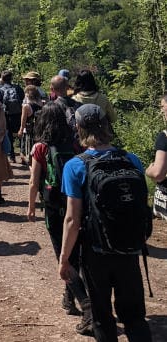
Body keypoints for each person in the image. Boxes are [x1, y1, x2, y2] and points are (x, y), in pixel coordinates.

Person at [59, 104, 152, 341]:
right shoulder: (131, 160)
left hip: (95, 252)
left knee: (102, 317)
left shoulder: (75, 165)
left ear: (78, 128)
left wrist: (64, 258)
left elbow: (72, 219)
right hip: (129, 248)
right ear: (107, 125)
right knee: (134, 317)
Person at [26, 103, 92, 336]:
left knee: (63, 256)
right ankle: (68, 299)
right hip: (77, 203)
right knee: (75, 253)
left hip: (54, 207)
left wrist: (31, 206)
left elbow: (34, 181)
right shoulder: (75, 144)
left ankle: (87, 307)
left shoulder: (40, 148)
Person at [0, 70, 25, 163]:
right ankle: (22, 154)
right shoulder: (17, 87)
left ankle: (12, 156)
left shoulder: (1, 89)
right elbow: (23, 99)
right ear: (11, 78)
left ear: (2, 79)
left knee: (9, 135)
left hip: (7, 114)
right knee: (21, 134)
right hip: (18, 114)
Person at [17, 85, 43, 165]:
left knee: (26, 150)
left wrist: (21, 130)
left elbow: (23, 120)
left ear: (27, 94)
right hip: (39, 130)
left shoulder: (26, 106)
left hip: (28, 131)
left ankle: (30, 164)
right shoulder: (41, 104)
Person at [146, 94, 167, 184]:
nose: (161, 111)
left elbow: (157, 174)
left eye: (162, 106)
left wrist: (148, 170)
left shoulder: (165, 136)